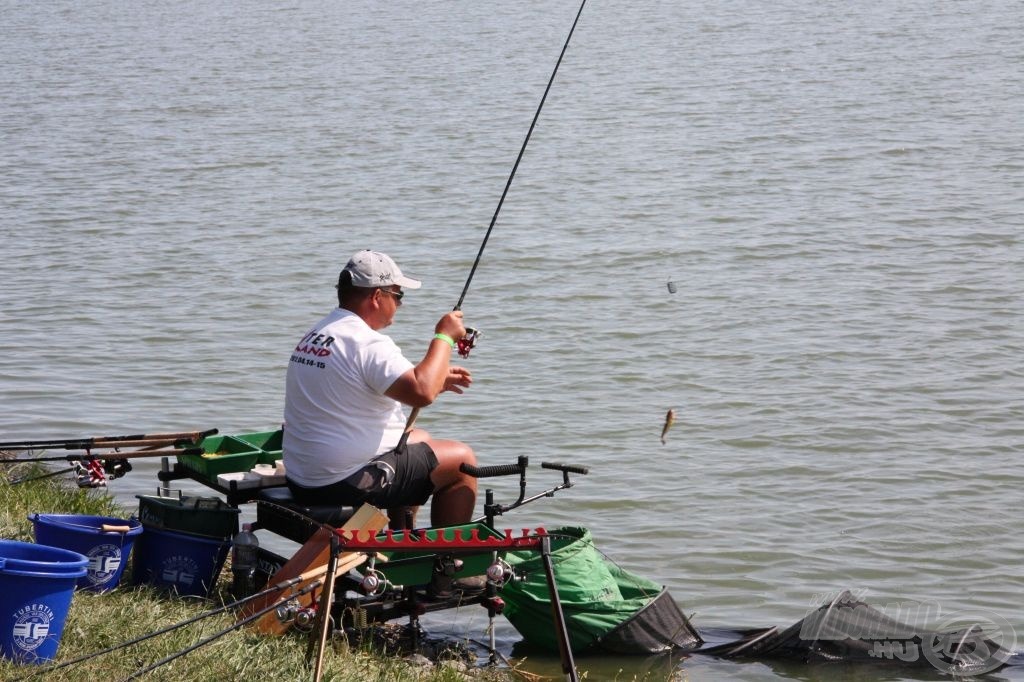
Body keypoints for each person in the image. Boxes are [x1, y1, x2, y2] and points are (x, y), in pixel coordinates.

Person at [282, 249, 478, 530]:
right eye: (398, 296)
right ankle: (450, 564)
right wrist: (443, 336)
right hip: (339, 482)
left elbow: (369, 384)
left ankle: (402, 539)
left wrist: (435, 381)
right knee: (462, 461)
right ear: (377, 297)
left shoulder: (319, 333)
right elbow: (421, 391)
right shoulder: (368, 342)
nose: (400, 305)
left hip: (303, 475)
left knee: (420, 439)